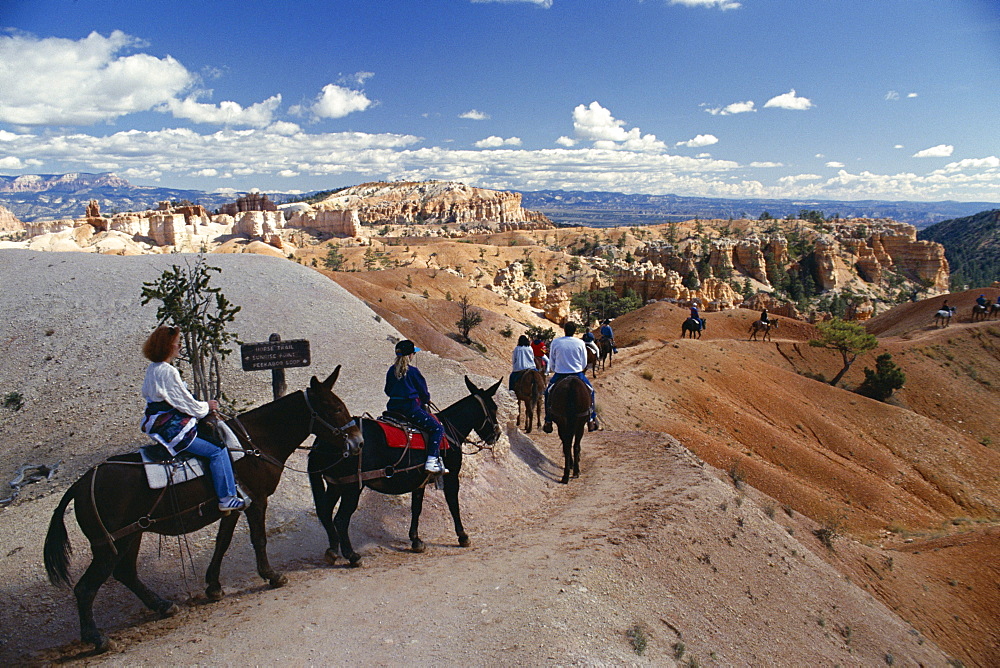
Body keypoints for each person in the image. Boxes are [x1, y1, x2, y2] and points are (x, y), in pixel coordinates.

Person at [141, 325, 245, 512]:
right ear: (168, 346)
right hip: (172, 428)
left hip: (156, 424)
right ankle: (226, 497)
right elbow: (185, 403)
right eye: (176, 343)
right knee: (217, 450)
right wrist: (207, 406)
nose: (180, 346)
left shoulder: (153, 368)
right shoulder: (168, 371)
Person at [384, 339, 447, 474]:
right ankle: (431, 461)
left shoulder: (391, 370)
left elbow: (387, 391)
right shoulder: (413, 371)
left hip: (392, 409)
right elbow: (423, 392)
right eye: (413, 353)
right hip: (410, 410)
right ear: (410, 355)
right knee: (437, 428)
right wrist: (425, 400)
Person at [542, 322, 599, 433]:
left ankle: (548, 420)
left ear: (564, 330)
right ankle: (591, 418)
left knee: (548, 393)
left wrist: (555, 368)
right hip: (577, 373)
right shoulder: (580, 343)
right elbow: (584, 363)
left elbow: (552, 360)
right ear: (574, 331)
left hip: (560, 374)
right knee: (591, 391)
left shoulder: (556, 342)